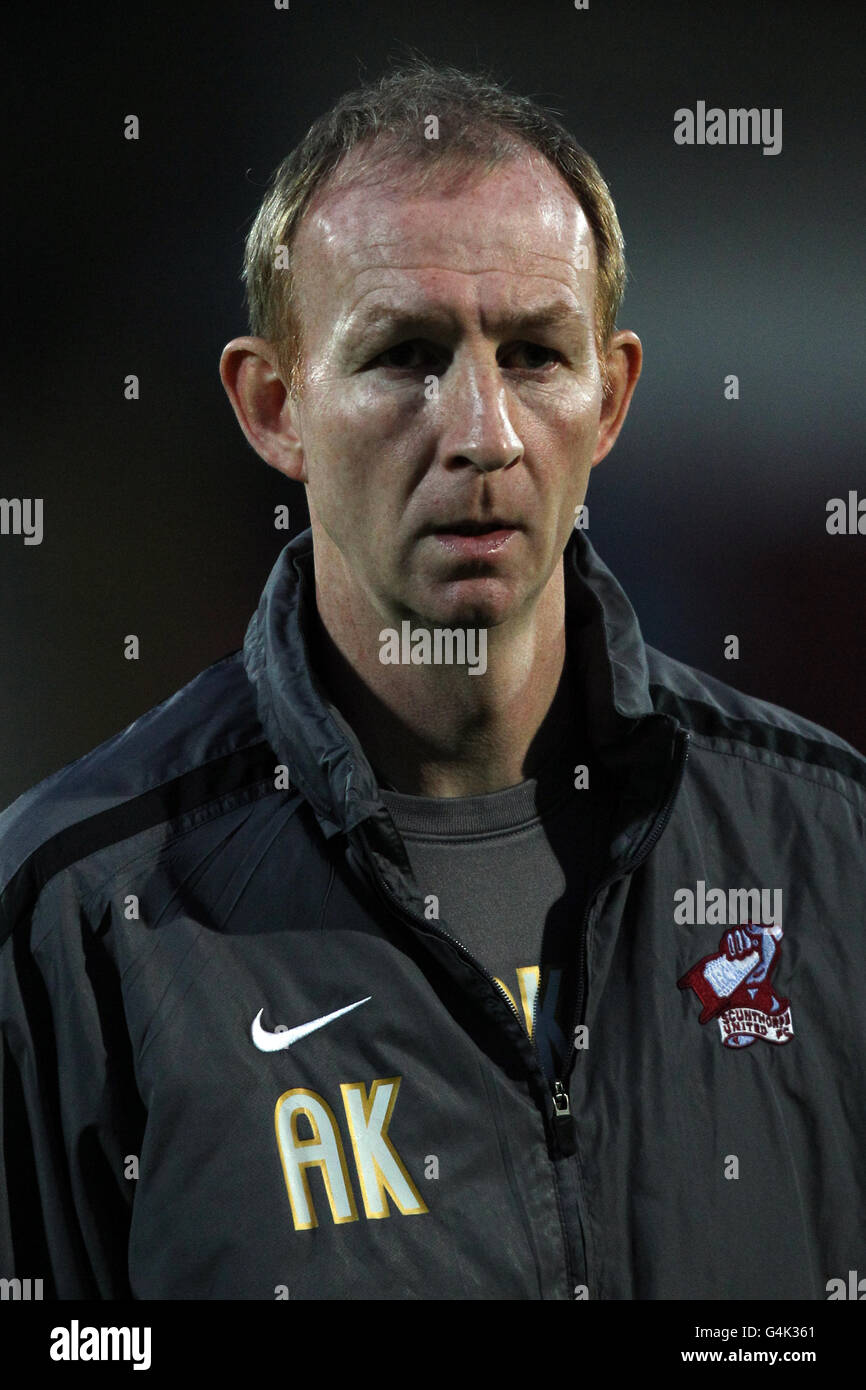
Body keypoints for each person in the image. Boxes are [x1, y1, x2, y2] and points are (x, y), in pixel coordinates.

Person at [1, 59, 864, 1302]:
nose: (482, 434)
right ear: (273, 405)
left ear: (611, 396)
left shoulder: (823, 847)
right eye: (406, 355)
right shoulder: (77, 920)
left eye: (531, 355)